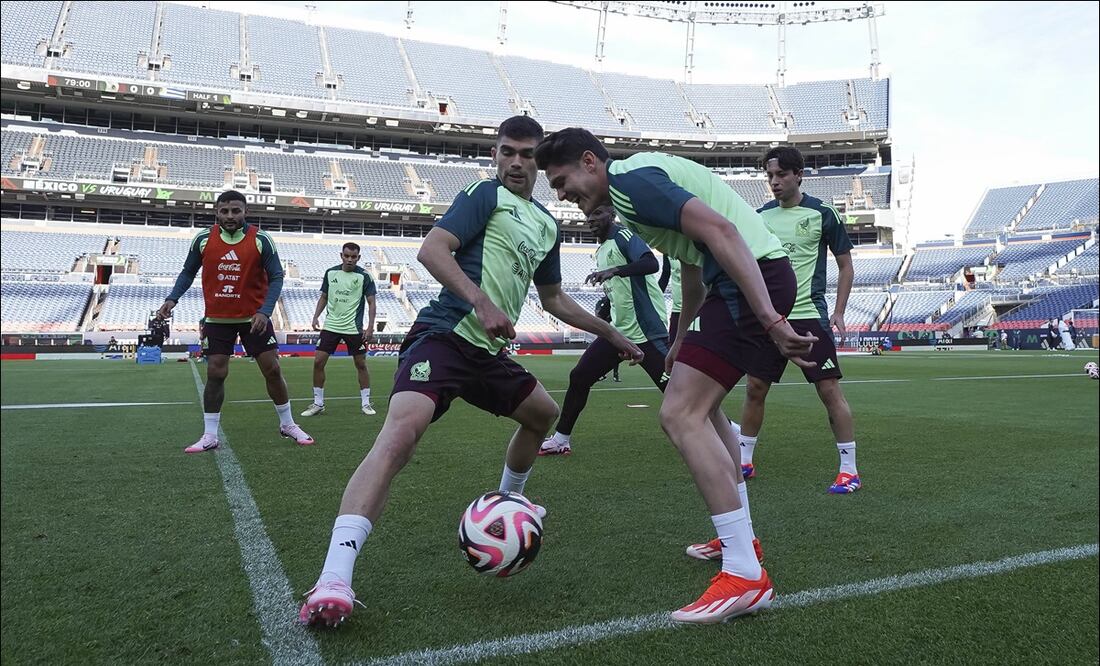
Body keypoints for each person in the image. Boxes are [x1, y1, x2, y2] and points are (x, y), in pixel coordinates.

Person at [298, 116, 642, 628]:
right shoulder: (484, 194)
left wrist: (609, 333)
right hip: (444, 335)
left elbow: (552, 299)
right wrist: (480, 301)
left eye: (527, 154)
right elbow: (432, 249)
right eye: (508, 152)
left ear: (539, 159)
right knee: (400, 436)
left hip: (489, 351)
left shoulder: (547, 224)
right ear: (496, 155)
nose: (517, 163)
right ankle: (334, 578)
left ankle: (510, 500)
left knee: (542, 414)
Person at [536, 128, 816, 625]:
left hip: (751, 280)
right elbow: (693, 262)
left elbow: (724, 235)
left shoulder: (631, 182)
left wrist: (772, 319)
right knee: (701, 413)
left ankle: (746, 574)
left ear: (589, 162)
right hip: (736, 282)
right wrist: (683, 335)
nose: (561, 195)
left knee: (680, 413)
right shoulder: (633, 187)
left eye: (561, 181)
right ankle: (740, 542)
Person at [734, 146, 861, 494]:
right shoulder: (759, 216)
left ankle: (849, 470)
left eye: (781, 175)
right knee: (755, 389)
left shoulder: (823, 213)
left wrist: (838, 311)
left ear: (799, 175)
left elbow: (845, 265)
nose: (774, 182)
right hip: (771, 321)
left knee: (828, 389)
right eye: (769, 176)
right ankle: (744, 461)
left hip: (809, 315)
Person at [158, 190, 314, 452]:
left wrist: (264, 311)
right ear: (216, 212)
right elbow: (187, 272)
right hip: (218, 318)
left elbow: (277, 277)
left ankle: (287, 424)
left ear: (245, 212)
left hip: (255, 318)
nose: (230, 216)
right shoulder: (203, 240)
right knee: (215, 372)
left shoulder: (261, 239)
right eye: (225, 211)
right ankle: (209, 435)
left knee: (272, 369)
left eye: (235, 211)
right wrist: (173, 298)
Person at [539, 205, 672, 456]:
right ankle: (561, 439)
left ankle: (728, 431)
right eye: (588, 215)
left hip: (646, 330)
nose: (591, 219)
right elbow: (622, 290)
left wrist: (614, 271)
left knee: (676, 391)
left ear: (611, 215)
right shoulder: (601, 250)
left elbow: (650, 263)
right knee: (580, 376)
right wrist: (607, 309)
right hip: (619, 332)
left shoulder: (622, 236)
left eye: (597, 213)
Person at [300, 243, 379, 417]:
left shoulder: (364, 276)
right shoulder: (330, 273)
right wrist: (315, 316)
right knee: (318, 362)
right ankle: (318, 403)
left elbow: (372, 302)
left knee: (361, 364)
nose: (350, 259)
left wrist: (371, 327)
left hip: (353, 327)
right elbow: (324, 296)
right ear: (341, 255)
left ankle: (366, 403)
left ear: (359, 257)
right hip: (331, 326)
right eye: (347, 256)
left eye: (353, 257)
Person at [593, 295, 622, 383]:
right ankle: (606, 374)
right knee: (604, 355)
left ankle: (612, 375)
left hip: (610, 331)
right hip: (606, 331)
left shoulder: (611, 300)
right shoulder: (603, 301)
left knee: (613, 355)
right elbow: (598, 314)